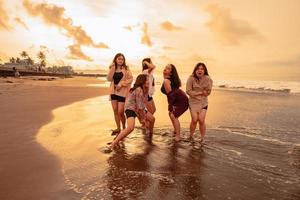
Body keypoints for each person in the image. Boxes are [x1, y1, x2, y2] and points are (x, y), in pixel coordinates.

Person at [110, 74, 155, 148]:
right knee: (131, 127)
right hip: (130, 109)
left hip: (138, 108)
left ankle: (150, 134)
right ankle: (114, 143)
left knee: (152, 119)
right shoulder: (138, 90)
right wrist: (142, 120)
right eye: (147, 80)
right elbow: (140, 109)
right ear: (142, 81)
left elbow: (142, 105)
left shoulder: (146, 90)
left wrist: (143, 118)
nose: (149, 81)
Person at [186, 62, 213, 143]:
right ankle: (191, 135)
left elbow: (208, 92)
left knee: (201, 120)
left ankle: (202, 138)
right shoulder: (191, 78)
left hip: (203, 102)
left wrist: (205, 92)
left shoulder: (208, 79)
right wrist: (200, 92)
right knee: (194, 120)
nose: (200, 70)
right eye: (198, 69)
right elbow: (188, 91)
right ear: (195, 70)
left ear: (204, 71)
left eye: (202, 69)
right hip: (193, 102)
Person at [161, 64, 189, 141]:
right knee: (170, 114)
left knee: (173, 115)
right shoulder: (168, 79)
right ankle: (176, 130)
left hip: (181, 101)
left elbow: (170, 96)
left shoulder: (166, 80)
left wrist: (170, 106)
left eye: (168, 68)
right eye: (165, 67)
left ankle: (178, 136)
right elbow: (172, 94)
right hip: (180, 99)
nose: (165, 69)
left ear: (171, 72)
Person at [106, 53, 133, 135]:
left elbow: (131, 79)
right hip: (113, 91)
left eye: (122, 59)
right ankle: (118, 128)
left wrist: (121, 84)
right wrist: (112, 68)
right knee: (115, 110)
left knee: (120, 111)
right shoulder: (112, 68)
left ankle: (124, 127)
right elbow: (109, 79)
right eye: (119, 59)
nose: (121, 60)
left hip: (122, 92)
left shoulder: (126, 68)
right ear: (115, 60)